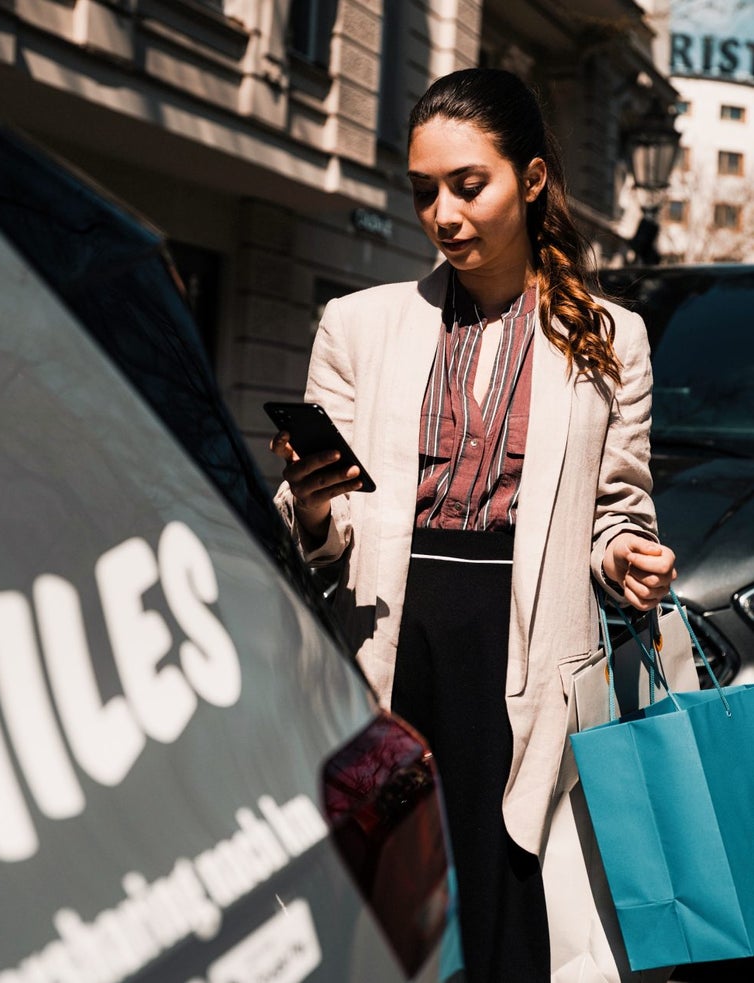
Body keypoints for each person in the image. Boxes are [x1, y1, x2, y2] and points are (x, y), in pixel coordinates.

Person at [270, 68, 678, 983]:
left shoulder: (611, 337)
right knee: (381, 910)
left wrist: (627, 557)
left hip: (526, 650)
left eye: (468, 184)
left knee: (504, 910)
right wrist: (316, 497)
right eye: (424, 192)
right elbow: (312, 534)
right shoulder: (358, 325)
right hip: (386, 638)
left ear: (530, 180)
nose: (443, 214)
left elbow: (618, 509)